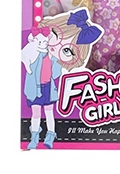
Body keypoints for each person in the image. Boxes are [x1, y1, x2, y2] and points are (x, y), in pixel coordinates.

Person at [22, 8, 102, 148]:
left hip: (49, 88)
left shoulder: (57, 64)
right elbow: (25, 58)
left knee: (49, 112)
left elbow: (57, 74)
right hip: (35, 88)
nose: (56, 46)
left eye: (67, 50)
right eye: (54, 35)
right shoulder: (37, 52)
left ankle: (50, 135)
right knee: (35, 112)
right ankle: (34, 136)